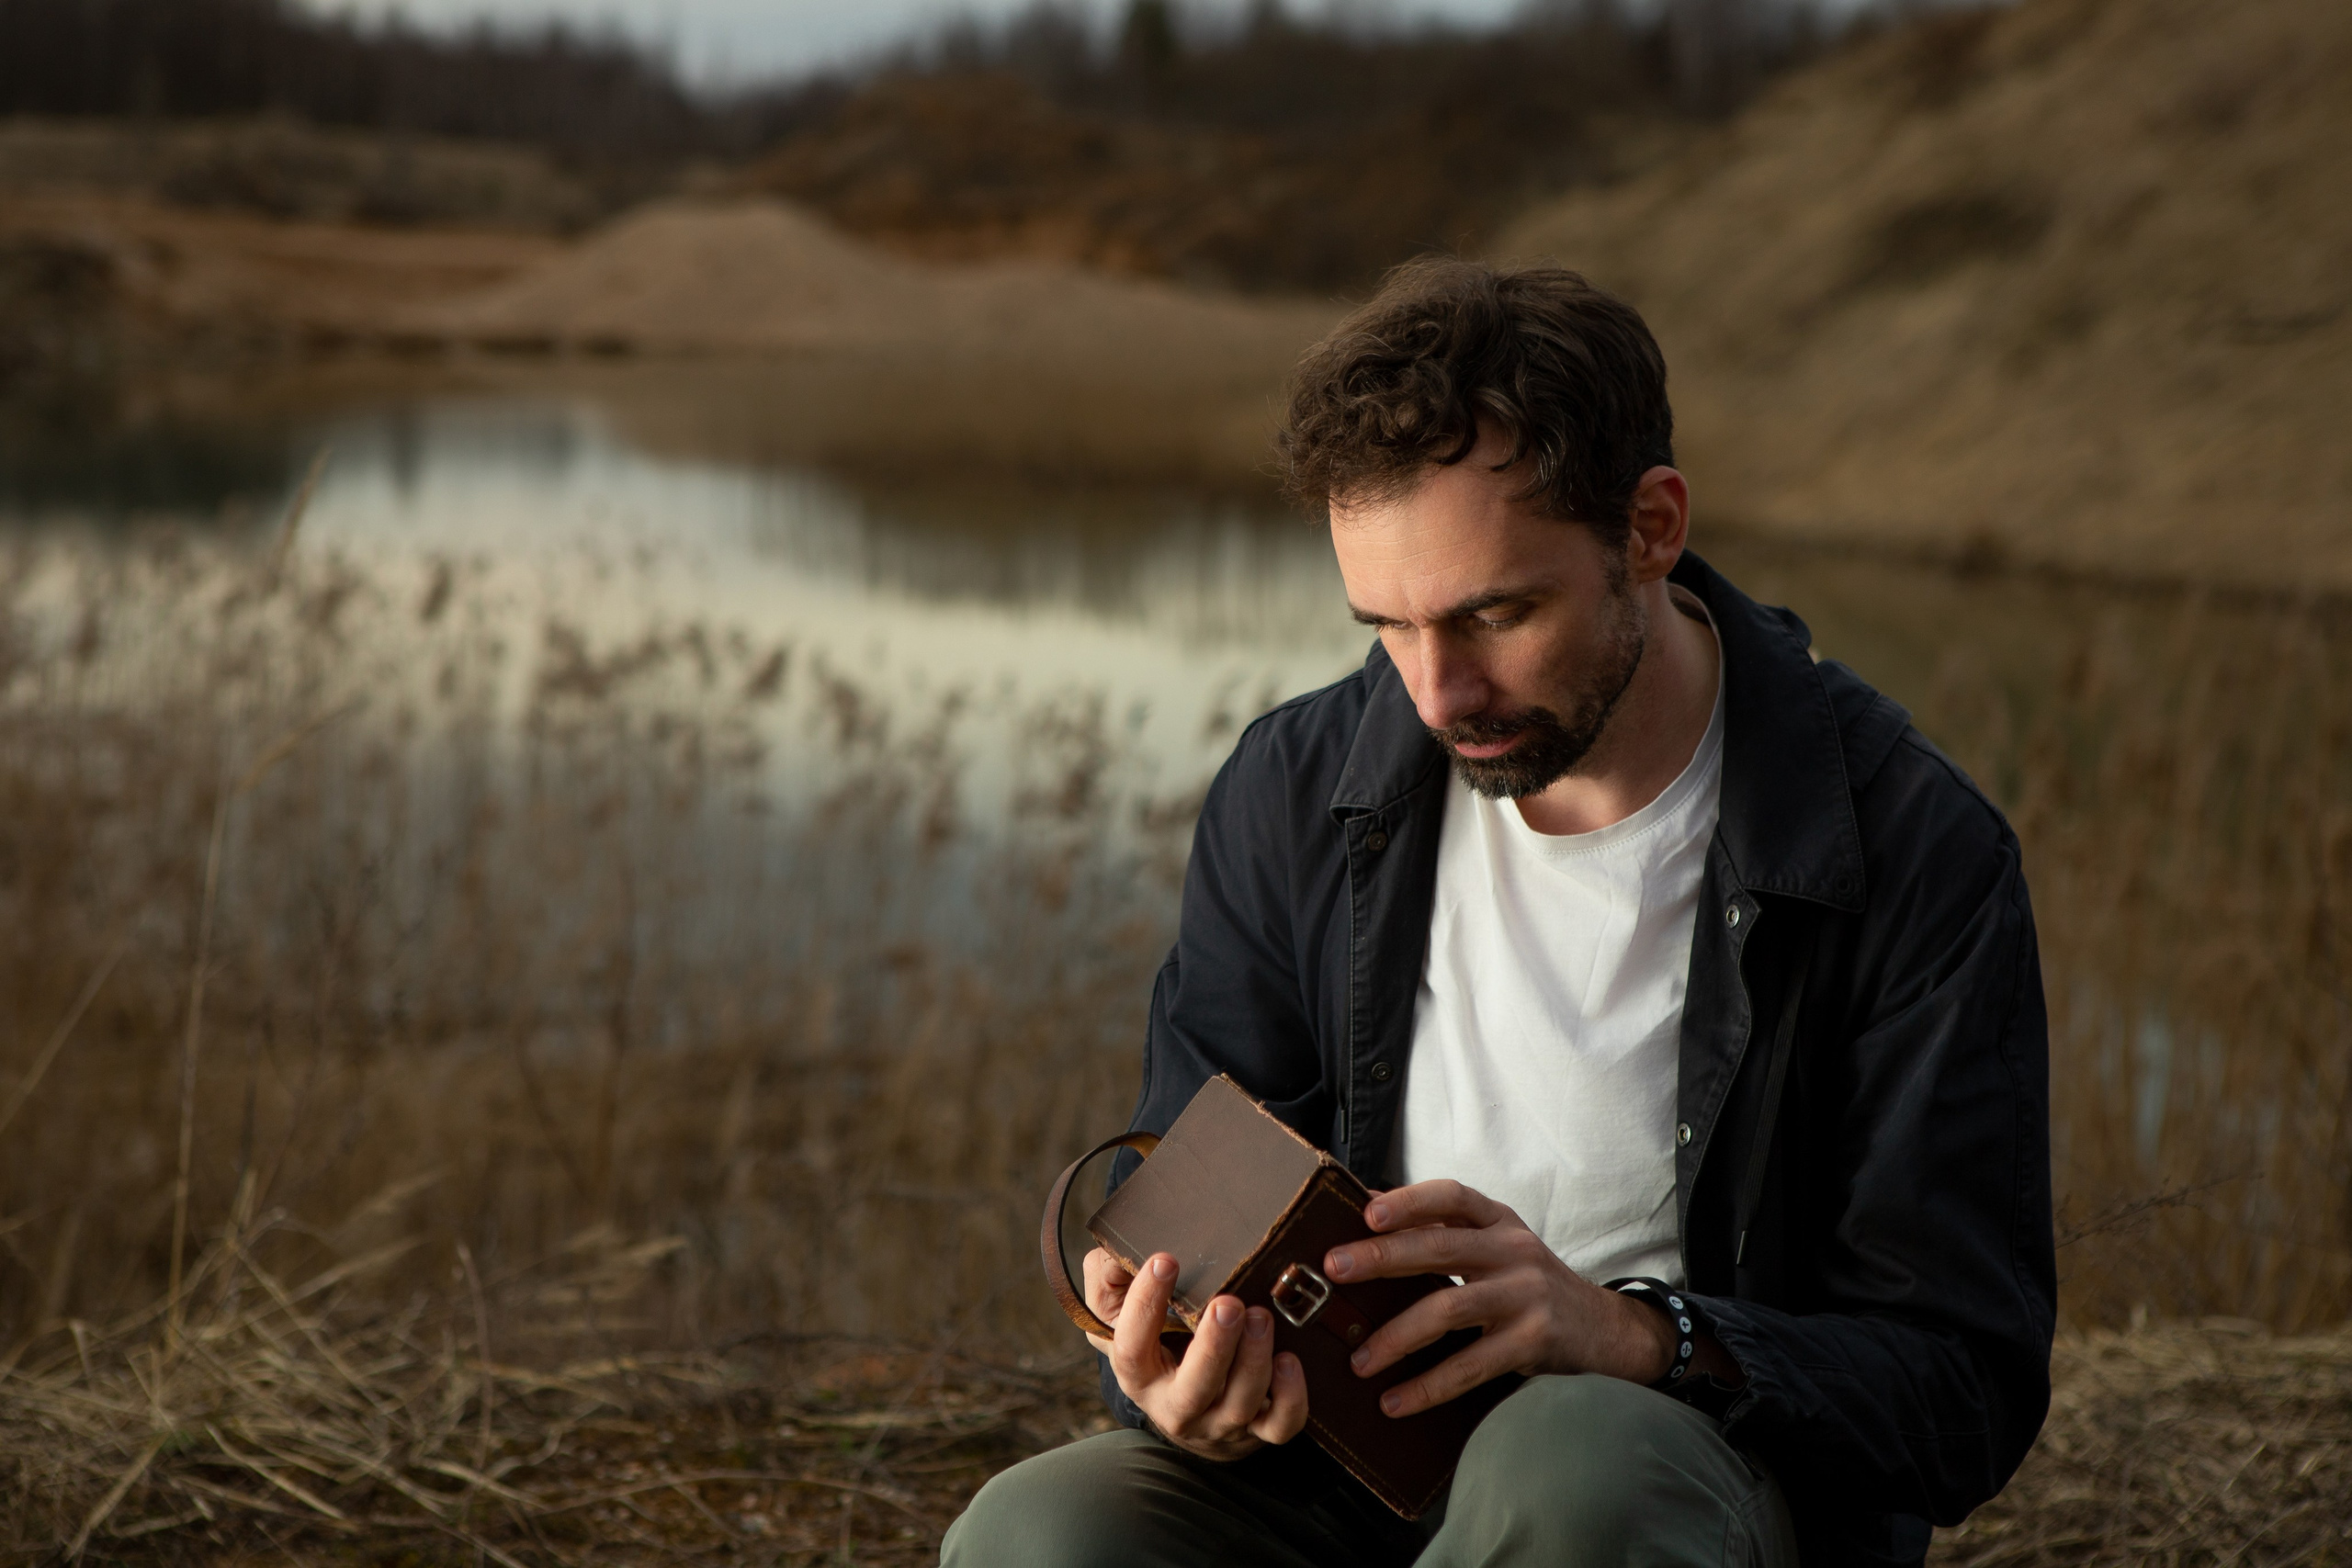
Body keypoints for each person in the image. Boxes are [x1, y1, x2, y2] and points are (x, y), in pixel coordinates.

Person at [942, 259, 2054, 1568]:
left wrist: (1636, 1334)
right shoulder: (1295, 792)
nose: (1435, 694)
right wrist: (1176, 1379)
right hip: (1345, 1470)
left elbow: (1964, 1395)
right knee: (1043, 1532)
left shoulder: (1909, 847)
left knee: (1568, 1468)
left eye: (1495, 615)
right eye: (1387, 628)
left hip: (1684, 1481)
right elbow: (1196, 1212)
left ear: (1651, 527)